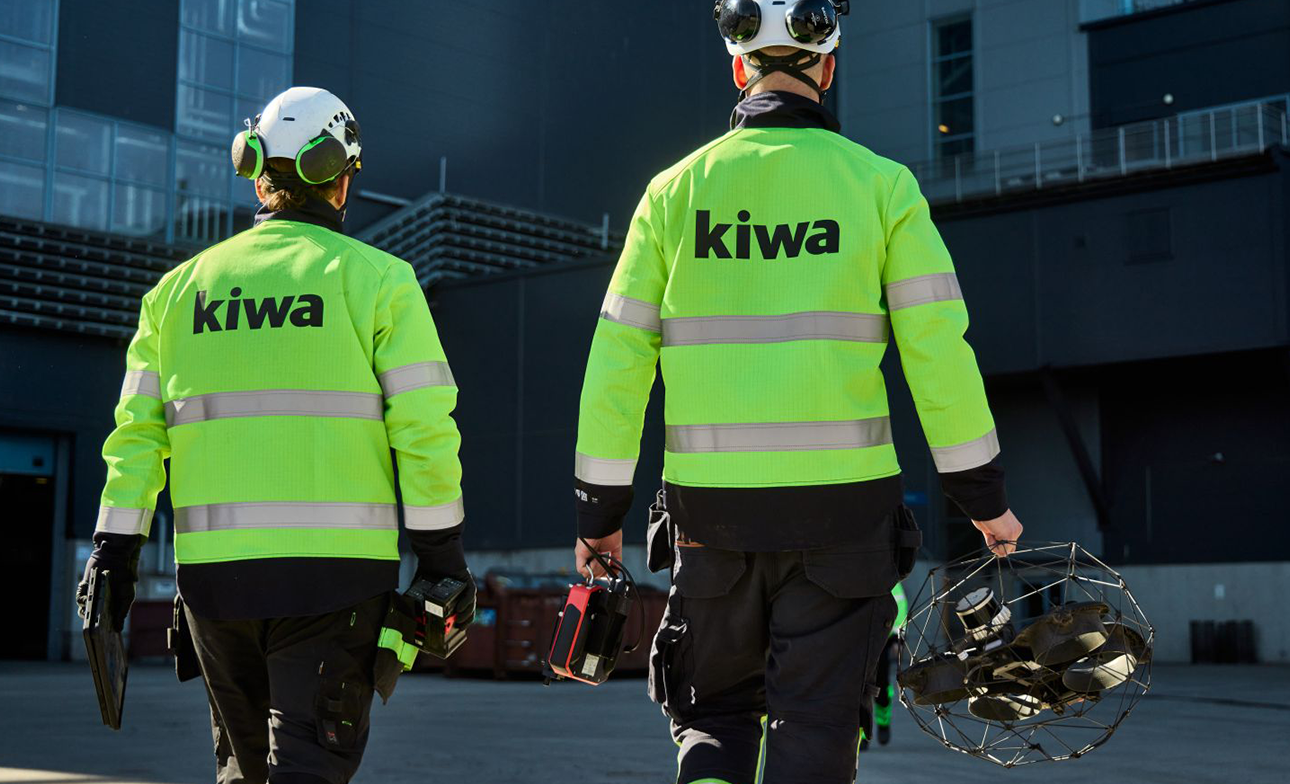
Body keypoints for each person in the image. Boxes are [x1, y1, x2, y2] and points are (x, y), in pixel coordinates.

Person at [571, 2, 1023, 782]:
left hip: (710, 518)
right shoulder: (883, 188)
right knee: (815, 724)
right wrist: (984, 500)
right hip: (845, 518)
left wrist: (598, 516)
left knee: (713, 720)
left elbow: (617, 362)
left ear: (738, 68)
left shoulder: (672, 194)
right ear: (828, 68)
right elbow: (937, 355)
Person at [76, 86, 472, 784]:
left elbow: (135, 438)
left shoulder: (174, 294)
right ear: (340, 179)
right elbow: (424, 430)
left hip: (215, 589)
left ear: (257, 174)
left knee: (244, 773)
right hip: (336, 584)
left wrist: (114, 553)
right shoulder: (381, 282)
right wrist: (442, 558)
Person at [861, 581, 907, 752]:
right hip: (857, 641)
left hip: (882, 640)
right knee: (858, 690)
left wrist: (897, 637)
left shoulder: (888, 576)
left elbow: (900, 605)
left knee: (881, 687)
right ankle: (863, 734)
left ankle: (883, 722)